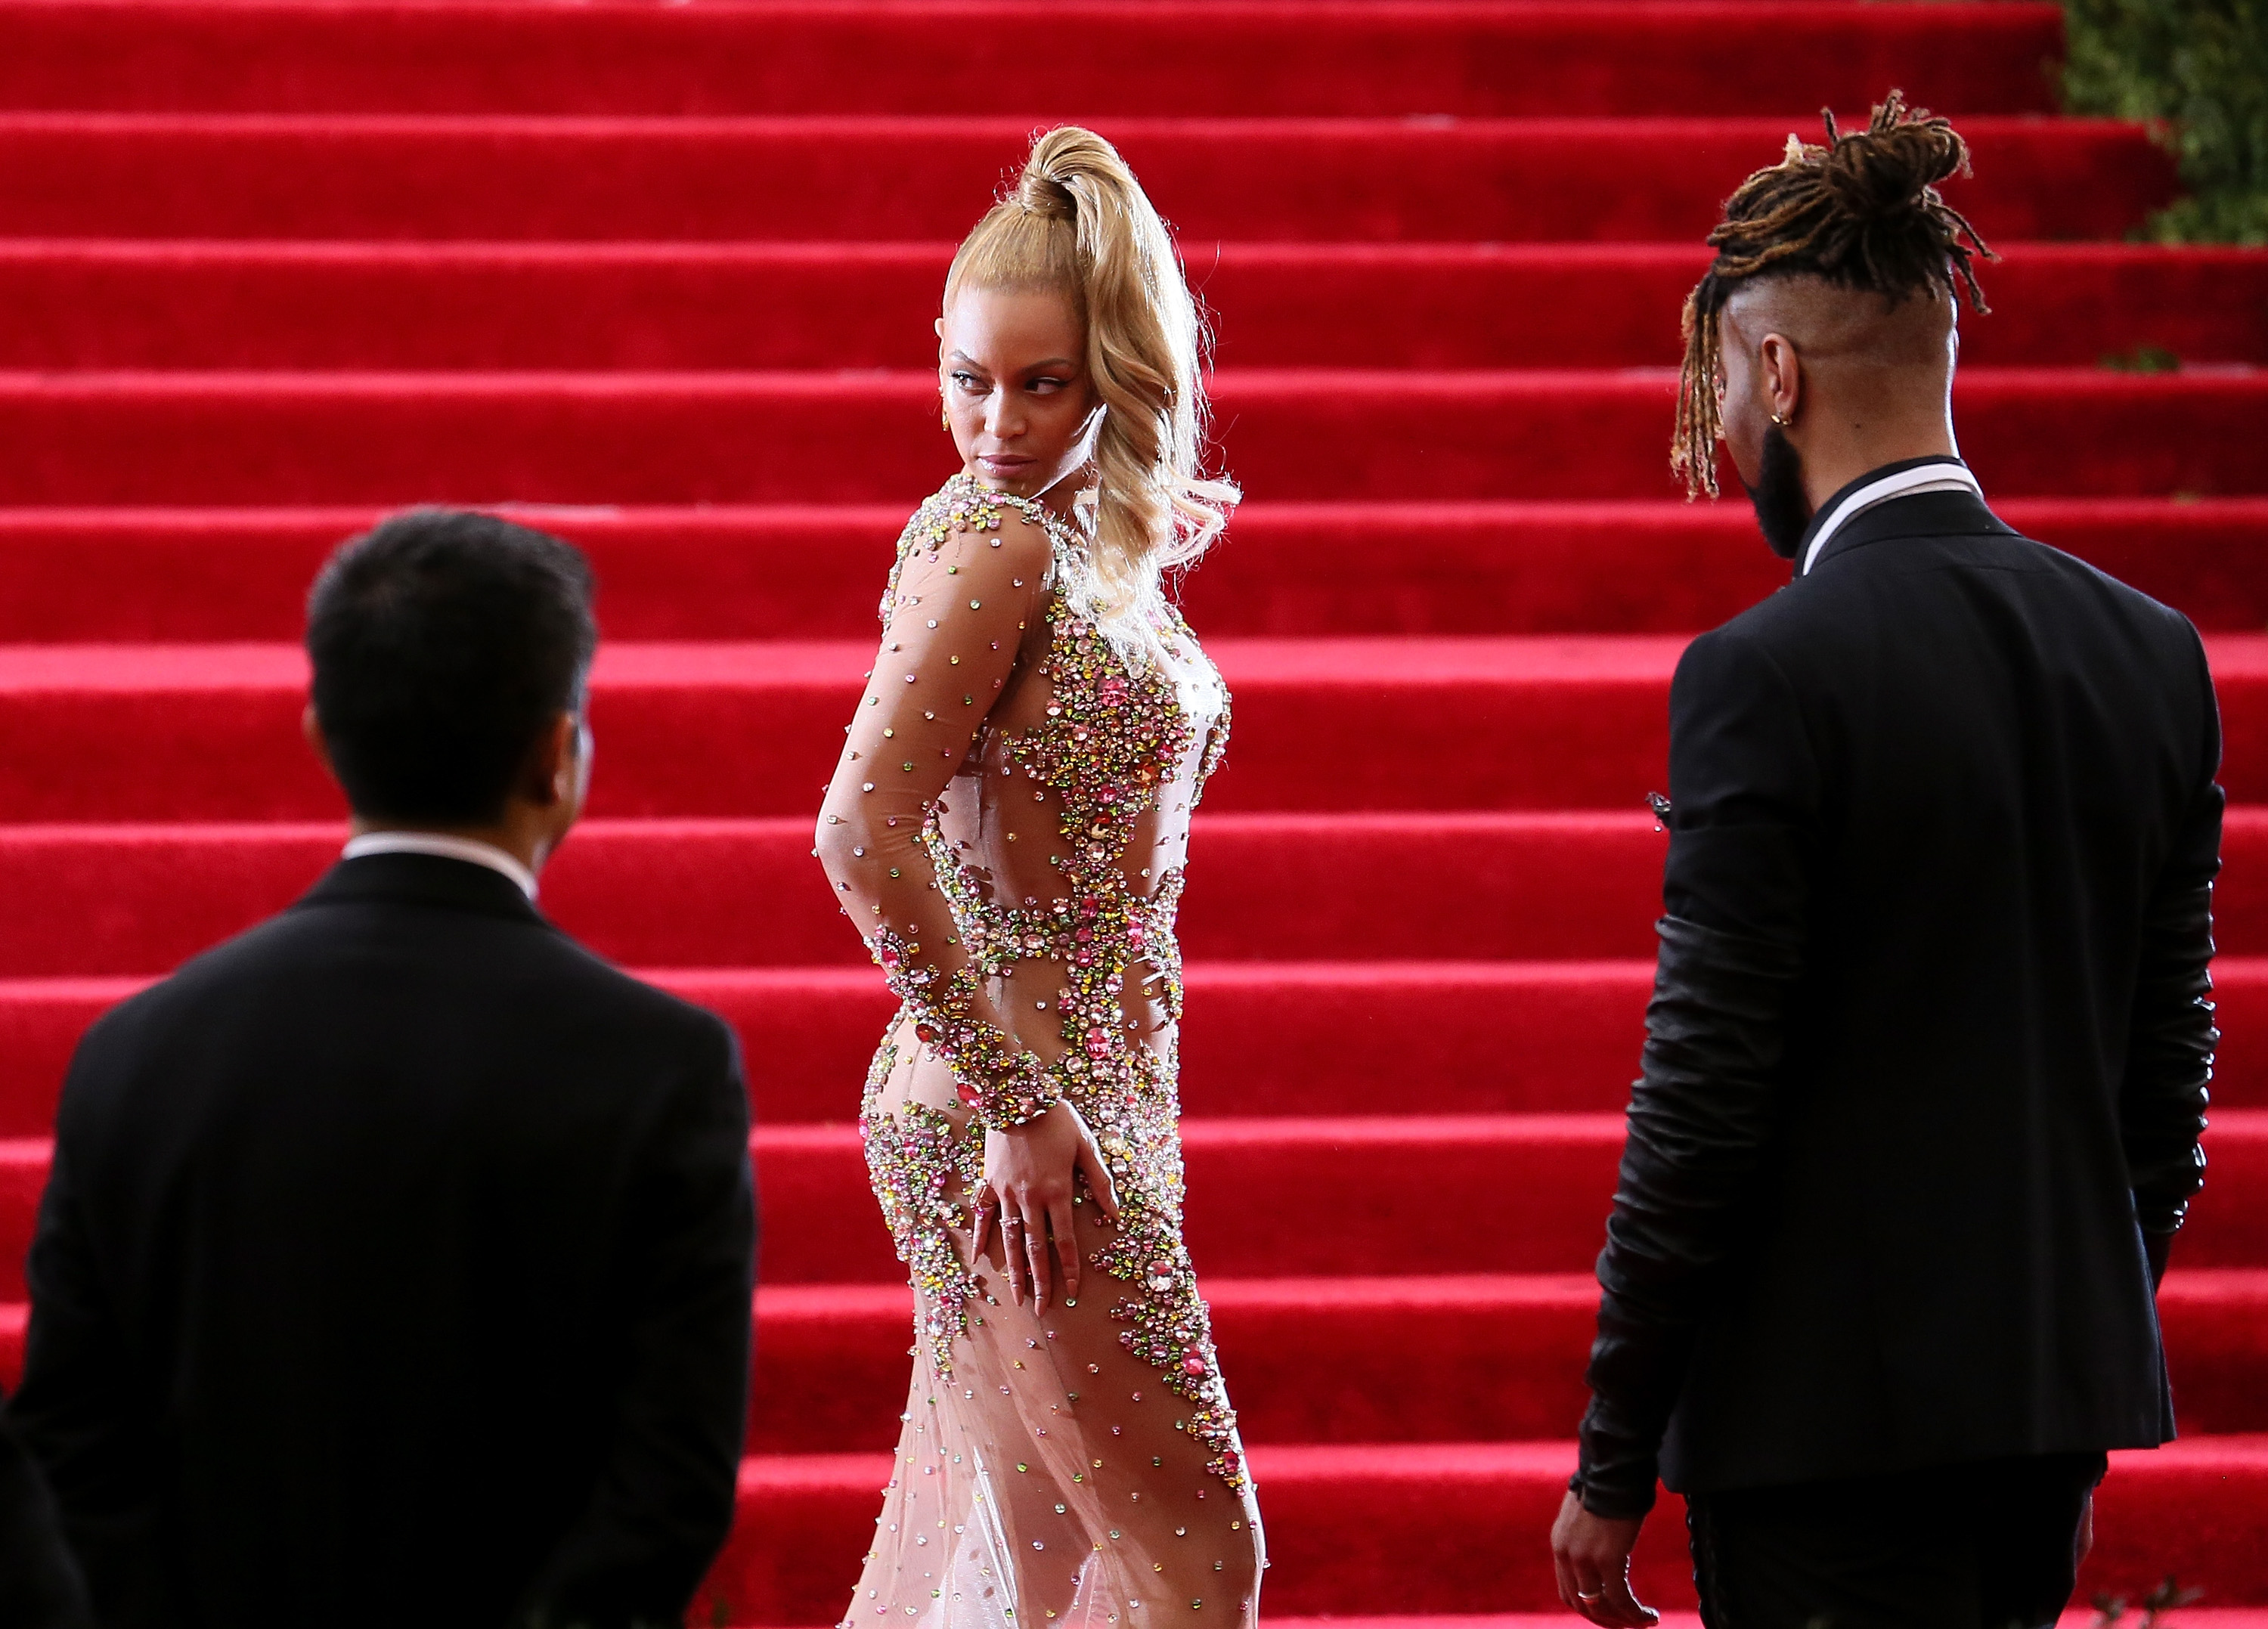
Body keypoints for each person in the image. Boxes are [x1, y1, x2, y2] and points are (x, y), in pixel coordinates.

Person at [1549, 94, 2220, 1629]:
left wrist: (1616, 1447)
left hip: (1818, 1443)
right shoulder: (2150, 654)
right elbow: (2164, 1080)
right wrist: (2065, 1359)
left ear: (1778, 374)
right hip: (2042, 1423)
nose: (1726, 426)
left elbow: (1705, 1090)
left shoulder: (1763, 674)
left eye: (1726, 382)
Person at [9, 509, 757, 1629]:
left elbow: (71, 1444)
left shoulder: (135, 1052)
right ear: (556, 754)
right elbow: (671, 1479)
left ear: (322, 735)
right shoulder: (658, 1065)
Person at [814, 125, 1264, 1627]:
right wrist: (1016, 1100)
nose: (993, 423)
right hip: (1018, 1108)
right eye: (969, 379)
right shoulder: (994, 539)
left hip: (1073, 1094)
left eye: (1043, 384)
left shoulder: (1073, 545)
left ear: (1120, 377)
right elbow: (858, 831)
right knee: (1201, 1557)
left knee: (1044, 1563)